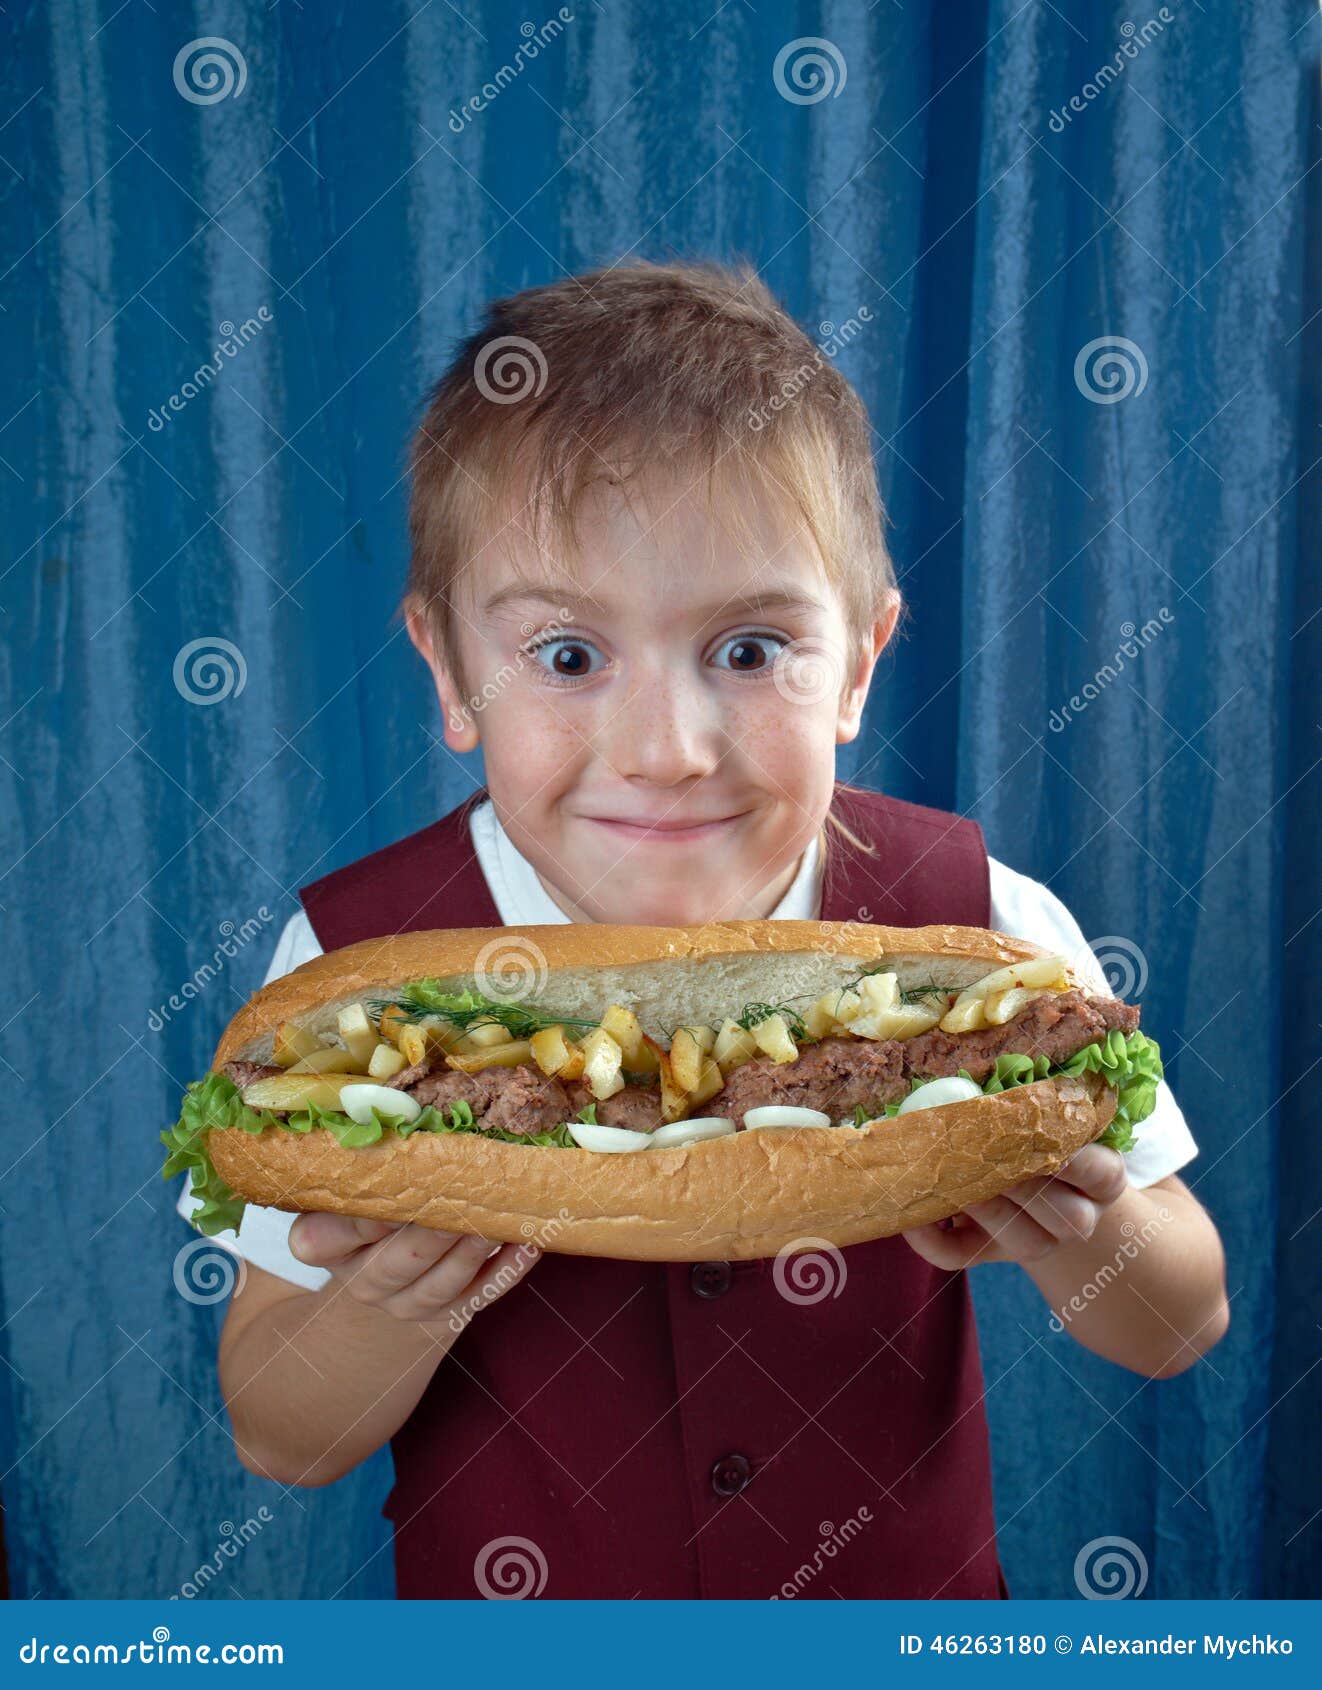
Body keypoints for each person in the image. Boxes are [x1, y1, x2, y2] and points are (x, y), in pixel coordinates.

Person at [185, 258, 1228, 1599]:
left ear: (856, 665)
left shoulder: (986, 925)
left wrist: (1081, 1230)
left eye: (747, 650)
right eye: (568, 656)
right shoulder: (347, 963)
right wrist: (390, 1304)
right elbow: (281, 1437)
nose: (666, 750)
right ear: (449, 671)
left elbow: (1179, 1323)